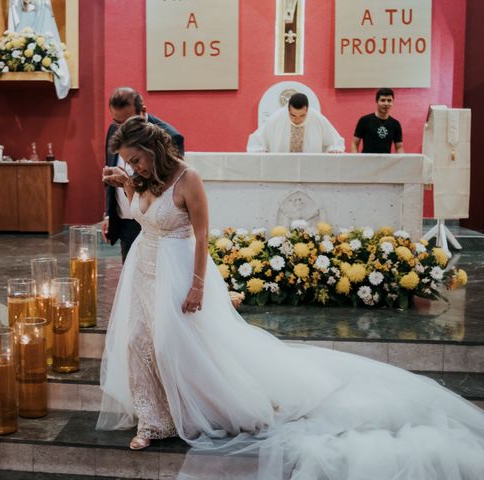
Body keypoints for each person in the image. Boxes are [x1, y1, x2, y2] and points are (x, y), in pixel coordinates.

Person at [96, 115, 484, 478]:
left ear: (153, 150)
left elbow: (201, 236)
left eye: (136, 160)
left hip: (179, 271)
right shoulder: (141, 180)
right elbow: (138, 216)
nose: (135, 167)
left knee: (171, 345)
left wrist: (198, 284)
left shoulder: (188, 178)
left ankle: (203, 408)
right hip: (144, 271)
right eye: (128, 162)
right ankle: (155, 420)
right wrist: (126, 184)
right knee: (135, 343)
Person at [102, 87, 184, 262]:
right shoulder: (113, 130)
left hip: (155, 221)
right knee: (132, 276)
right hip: (126, 220)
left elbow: (166, 189)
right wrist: (109, 213)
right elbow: (110, 171)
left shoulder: (170, 136)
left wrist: (126, 182)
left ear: (143, 111)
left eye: (129, 122)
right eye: (118, 122)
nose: (123, 129)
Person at [247, 93, 345, 153]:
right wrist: (260, 150)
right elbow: (257, 142)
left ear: (307, 110)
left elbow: (334, 142)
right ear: (288, 109)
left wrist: (334, 148)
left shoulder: (317, 118)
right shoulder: (276, 118)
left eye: (302, 116)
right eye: (293, 115)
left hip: (310, 167)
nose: (297, 119)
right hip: (282, 167)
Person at [352, 88, 404, 154]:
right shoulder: (364, 120)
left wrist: (401, 162)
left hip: (386, 163)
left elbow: (399, 147)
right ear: (377, 101)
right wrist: (356, 160)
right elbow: (355, 143)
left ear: (392, 102)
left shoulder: (395, 124)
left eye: (389, 100)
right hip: (366, 162)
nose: (386, 103)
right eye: (383, 100)